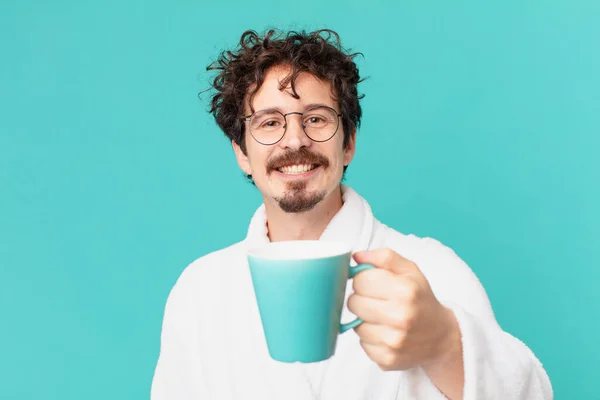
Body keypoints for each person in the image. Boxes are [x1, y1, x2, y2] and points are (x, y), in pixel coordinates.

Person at [151, 29, 553, 400]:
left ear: (348, 145)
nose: (295, 139)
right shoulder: (198, 292)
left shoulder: (432, 272)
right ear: (242, 153)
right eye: (270, 122)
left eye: (316, 119)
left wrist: (445, 344)